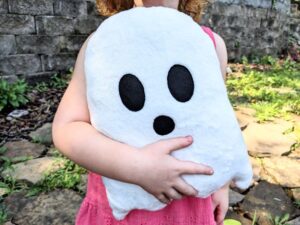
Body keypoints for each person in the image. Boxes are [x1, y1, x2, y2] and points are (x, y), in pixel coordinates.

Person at [52, 0, 229, 224]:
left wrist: (222, 184)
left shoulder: (209, 45)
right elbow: (67, 126)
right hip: (122, 210)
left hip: (191, 205)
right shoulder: (102, 43)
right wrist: (137, 166)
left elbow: (218, 122)